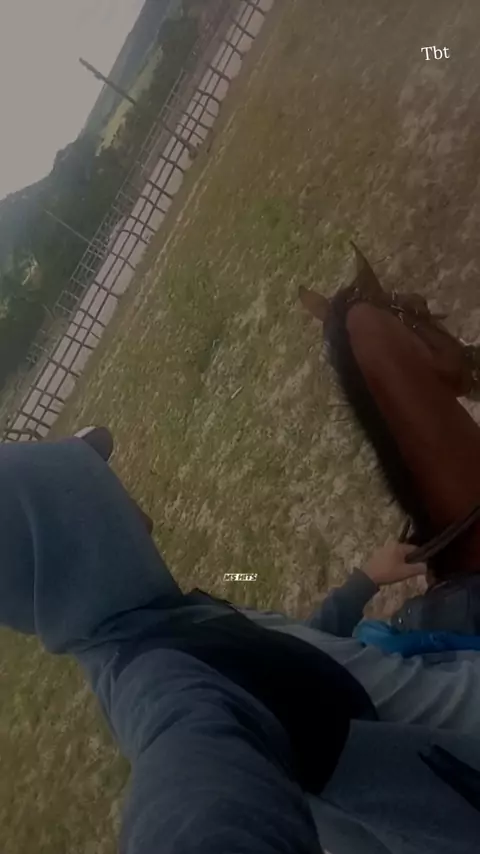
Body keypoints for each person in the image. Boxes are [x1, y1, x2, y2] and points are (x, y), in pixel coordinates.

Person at [2, 436, 480, 853]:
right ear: (80, 527)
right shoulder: (161, 680)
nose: (128, 498)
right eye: (100, 483)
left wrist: (362, 582)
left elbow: (291, 668)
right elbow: (197, 785)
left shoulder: (169, 618)